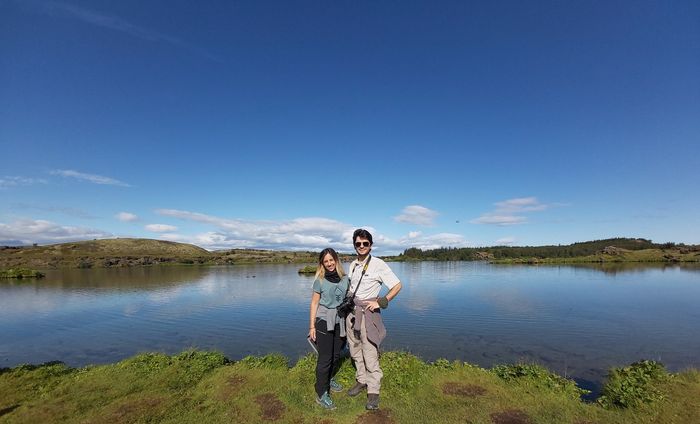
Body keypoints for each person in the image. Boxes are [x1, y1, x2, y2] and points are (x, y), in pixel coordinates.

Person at [345, 228, 402, 410]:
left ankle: (373, 391)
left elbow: (397, 285)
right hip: (352, 313)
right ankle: (362, 380)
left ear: (371, 245)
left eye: (365, 243)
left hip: (368, 313)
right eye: (358, 243)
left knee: (369, 351)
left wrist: (382, 301)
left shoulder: (378, 264)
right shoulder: (352, 264)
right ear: (354, 245)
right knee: (354, 349)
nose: (361, 246)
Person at [308, 247, 350, 410]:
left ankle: (329, 379)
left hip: (340, 320)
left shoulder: (346, 279)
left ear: (336, 260)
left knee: (336, 354)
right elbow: (314, 303)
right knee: (325, 358)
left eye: (331, 260)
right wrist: (312, 326)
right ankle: (321, 393)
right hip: (324, 320)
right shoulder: (319, 280)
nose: (329, 263)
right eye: (326, 261)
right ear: (322, 264)